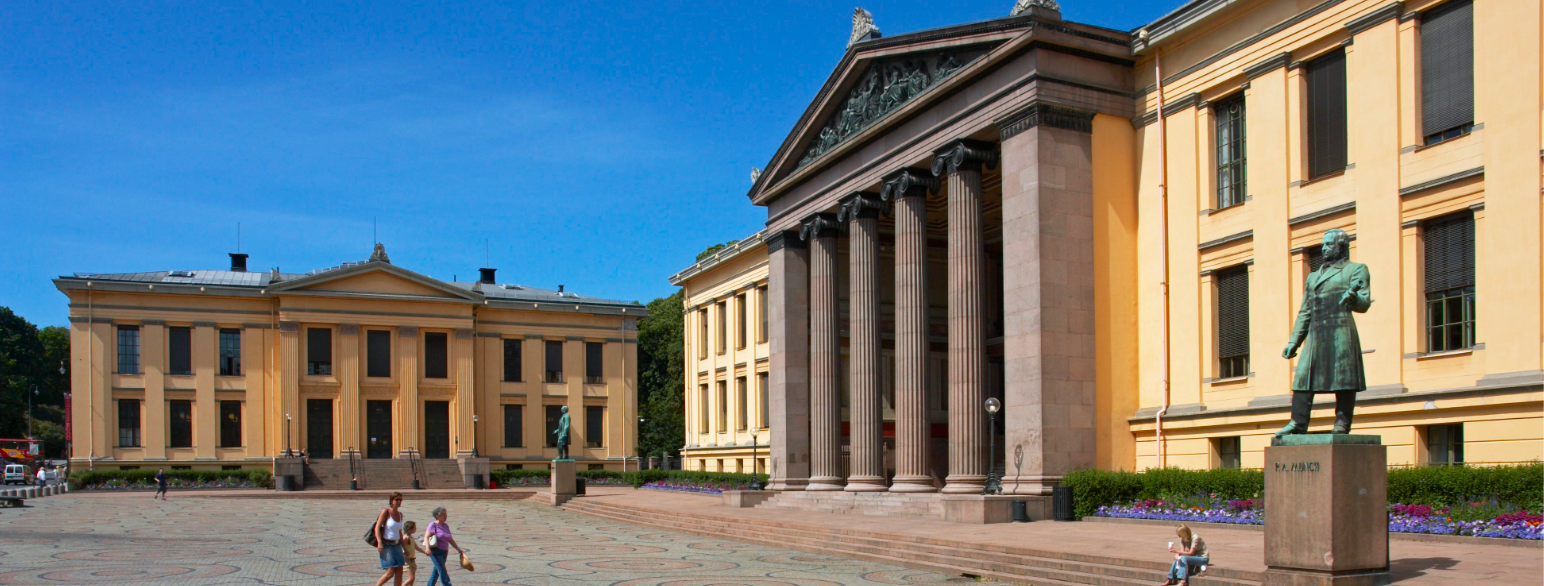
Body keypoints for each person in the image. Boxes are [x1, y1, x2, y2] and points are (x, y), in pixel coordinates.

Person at [425, 506, 466, 586]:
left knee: (436, 571)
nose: (445, 516)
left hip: (444, 551)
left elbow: (450, 539)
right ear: (437, 516)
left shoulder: (446, 526)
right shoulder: (433, 525)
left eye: (446, 514)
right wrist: (427, 548)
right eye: (443, 514)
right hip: (435, 551)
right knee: (442, 571)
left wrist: (458, 549)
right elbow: (426, 536)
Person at [374, 492, 406, 586]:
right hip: (387, 544)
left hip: (397, 545)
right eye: (397, 499)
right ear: (391, 501)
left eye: (400, 500)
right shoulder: (386, 511)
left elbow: (400, 532)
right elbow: (377, 527)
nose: (399, 501)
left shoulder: (400, 514)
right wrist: (379, 542)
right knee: (390, 573)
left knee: (400, 571)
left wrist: (405, 547)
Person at [401, 520, 429, 586]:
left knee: (412, 579)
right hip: (407, 561)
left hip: (412, 560)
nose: (416, 529)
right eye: (415, 528)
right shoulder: (405, 538)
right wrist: (404, 552)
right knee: (411, 578)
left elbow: (417, 547)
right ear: (409, 529)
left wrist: (425, 552)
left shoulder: (411, 538)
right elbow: (401, 547)